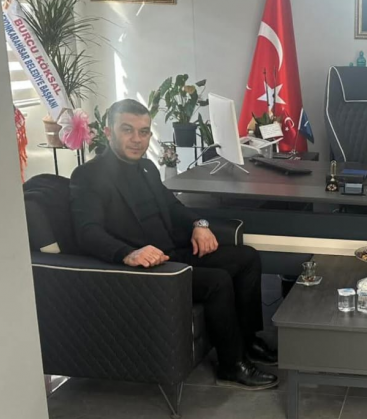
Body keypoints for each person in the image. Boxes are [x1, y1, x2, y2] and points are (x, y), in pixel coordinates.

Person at [70, 99, 278, 390]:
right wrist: (128, 254)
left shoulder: (146, 167)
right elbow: (87, 232)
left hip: (173, 254)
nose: (137, 139)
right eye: (127, 130)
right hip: (145, 268)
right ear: (108, 132)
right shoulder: (89, 175)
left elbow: (172, 206)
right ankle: (232, 365)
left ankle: (248, 340)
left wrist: (199, 224)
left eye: (144, 132)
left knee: (247, 258)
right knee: (217, 281)